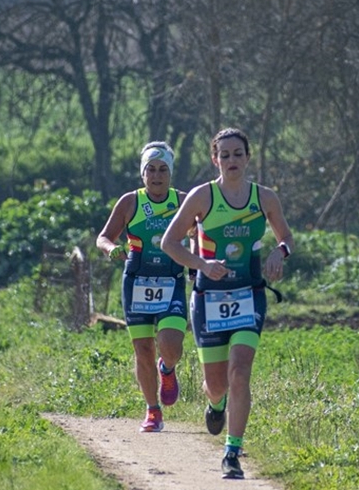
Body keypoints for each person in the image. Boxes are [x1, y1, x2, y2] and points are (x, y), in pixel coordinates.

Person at [160, 127, 295, 480]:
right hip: (208, 298)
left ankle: (232, 453)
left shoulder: (264, 199)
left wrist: (278, 253)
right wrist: (202, 264)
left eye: (238, 154)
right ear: (214, 159)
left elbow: (287, 237)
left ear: (248, 157)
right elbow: (169, 243)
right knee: (218, 383)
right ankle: (215, 403)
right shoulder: (202, 197)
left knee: (240, 371)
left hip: (250, 294)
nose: (231, 160)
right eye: (225, 154)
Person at [96, 142, 190, 433]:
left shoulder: (185, 201)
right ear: (143, 173)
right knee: (143, 349)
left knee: (171, 345)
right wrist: (112, 249)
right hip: (136, 280)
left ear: (171, 173)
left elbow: (202, 232)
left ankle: (168, 368)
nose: (157, 176)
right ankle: (152, 411)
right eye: (151, 170)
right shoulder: (129, 202)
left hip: (171, 280)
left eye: (163, 170)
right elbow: (103, 237)